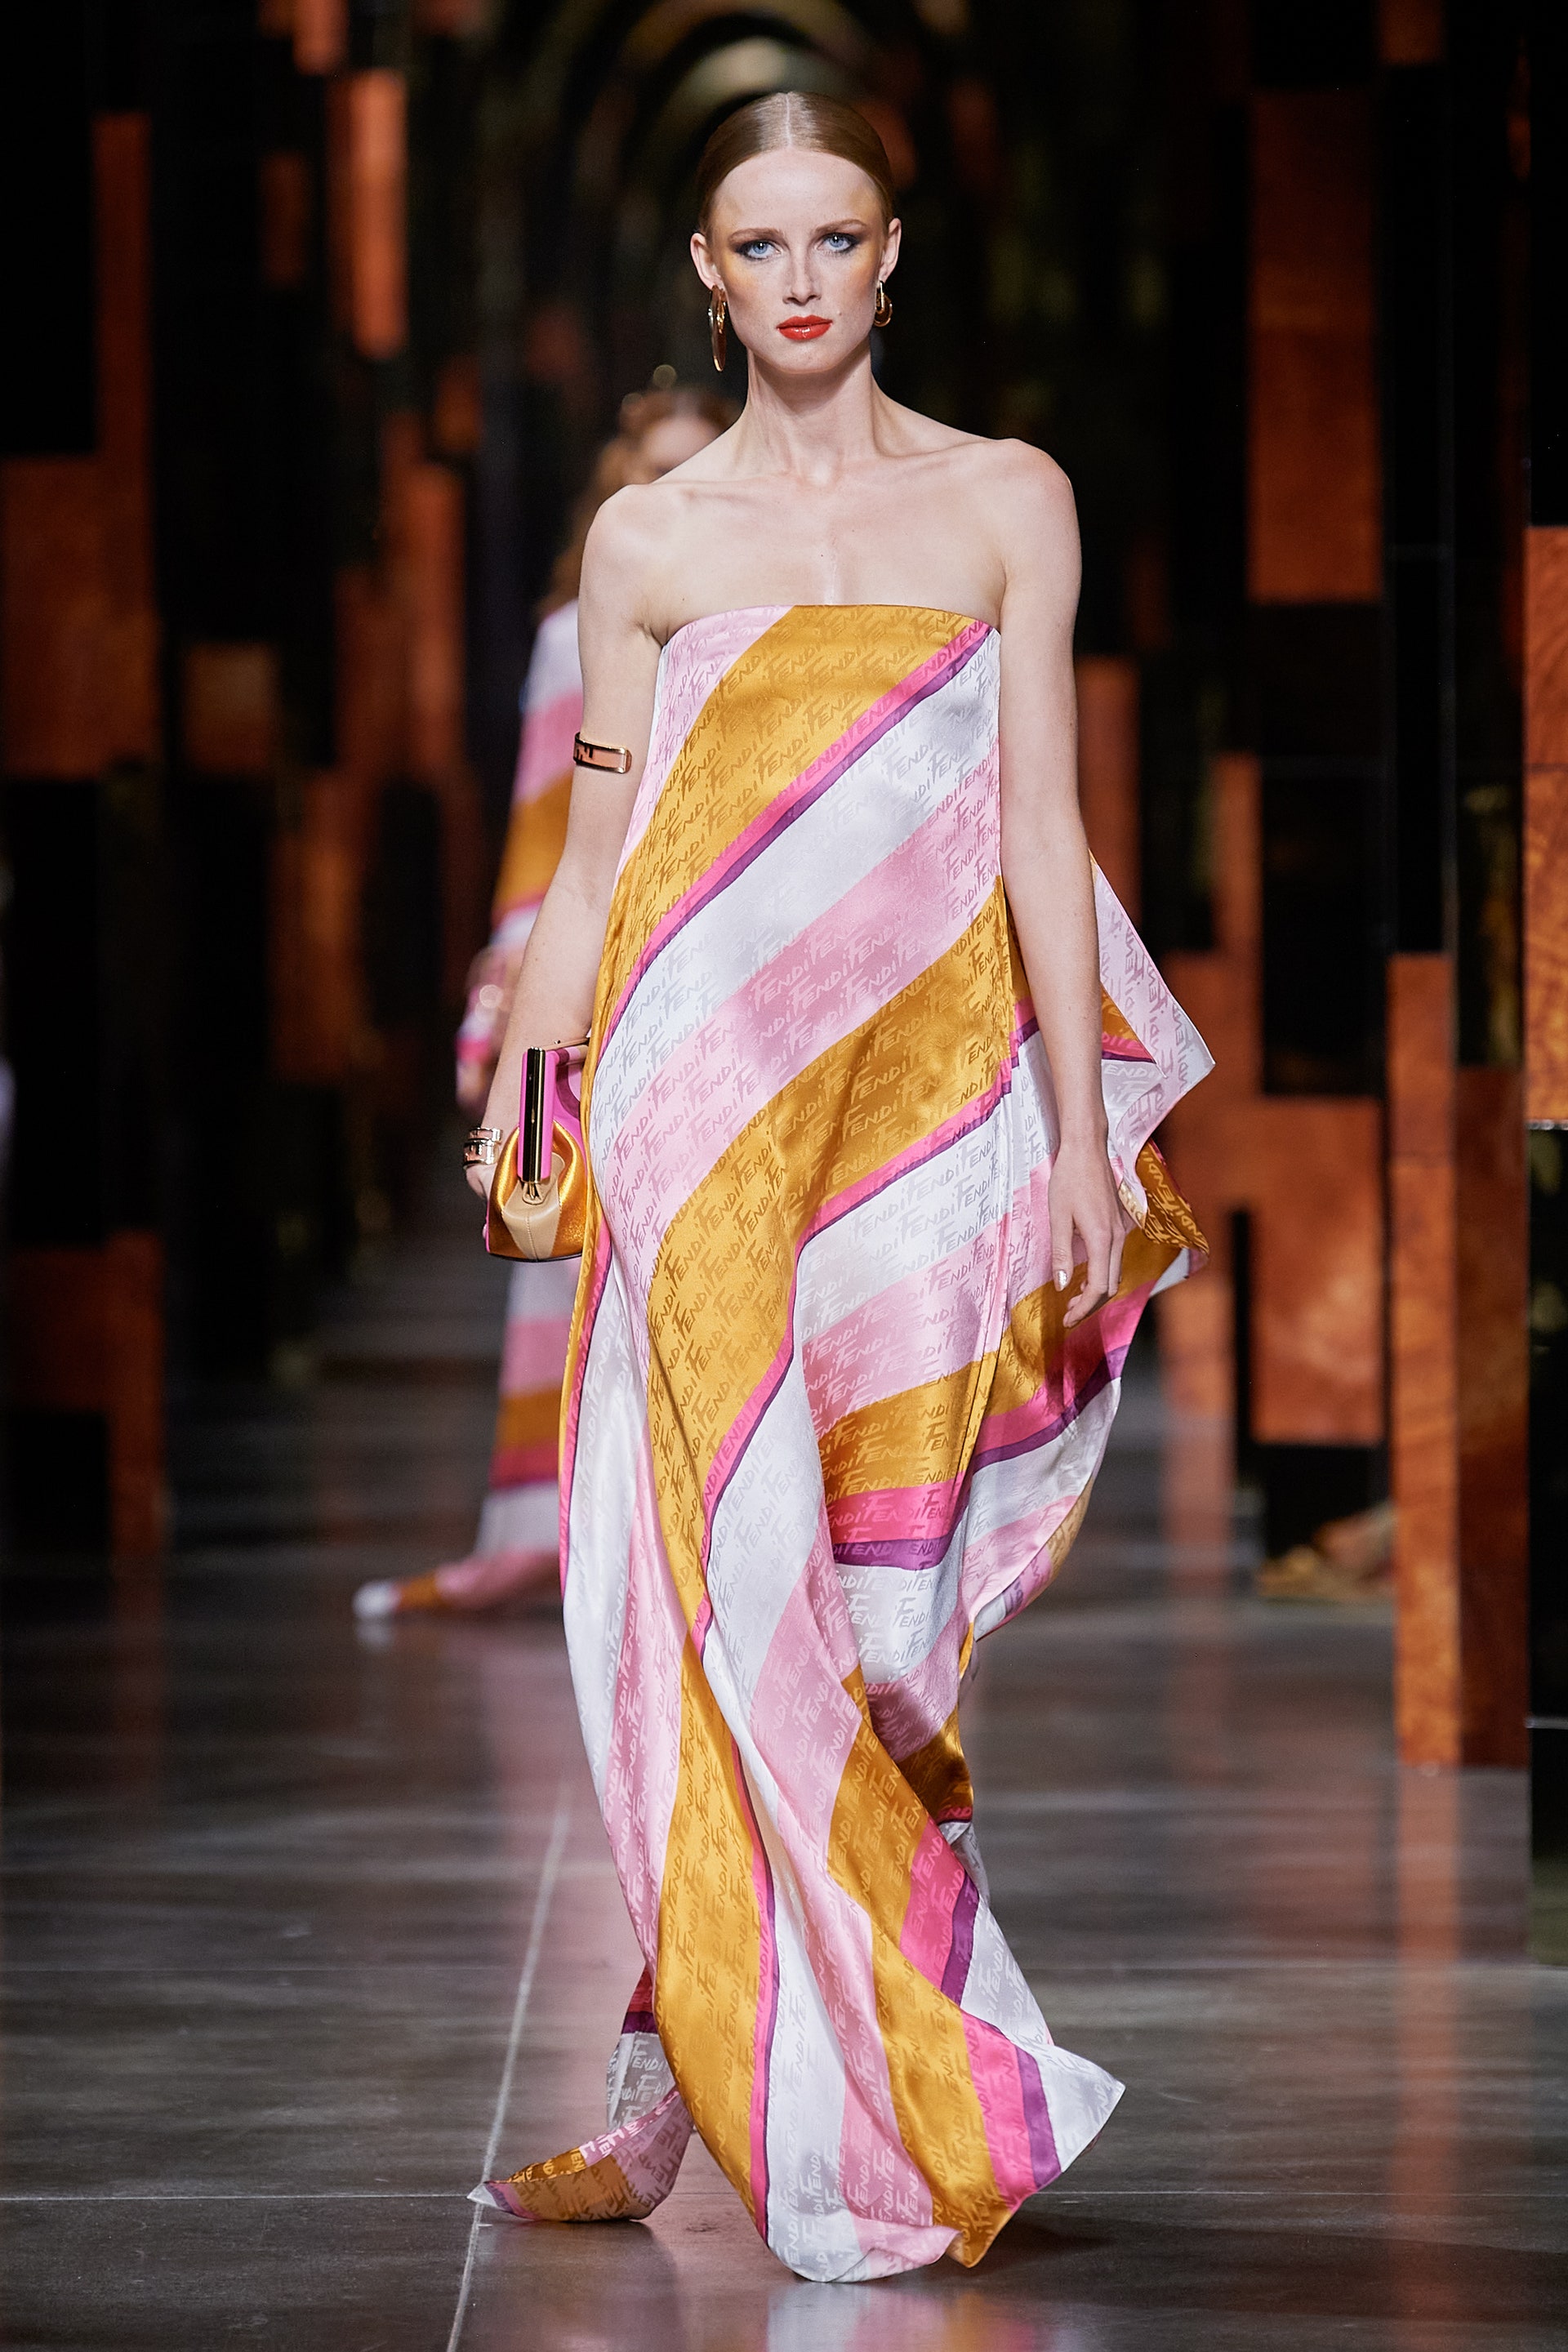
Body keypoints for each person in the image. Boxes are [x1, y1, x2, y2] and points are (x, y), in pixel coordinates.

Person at [465, 93, 1211, 2281]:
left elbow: (1046, 822)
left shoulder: (1005, 502)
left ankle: (785, 2032)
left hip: (923, 1118)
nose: (801, 280)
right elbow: (599, 849)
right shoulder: (648, 542)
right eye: (760, 245)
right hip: (699, 1114)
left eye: (837, 238)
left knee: (881, 1626)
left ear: (894, 260)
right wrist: (532, 1063)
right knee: (724, 1577)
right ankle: (856, 2085)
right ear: (711, 279)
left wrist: (1074, 1129)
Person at [354, 388, 731, 1620]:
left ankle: (711, 1531)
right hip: (606, 970)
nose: (676, 495)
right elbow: (545, 830)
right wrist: (512, 1012)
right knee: (569, 1238)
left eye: (700, 470)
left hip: (733, 965)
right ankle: (580, 1523)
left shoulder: (765, 617)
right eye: (654, 472)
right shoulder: (576, 631)